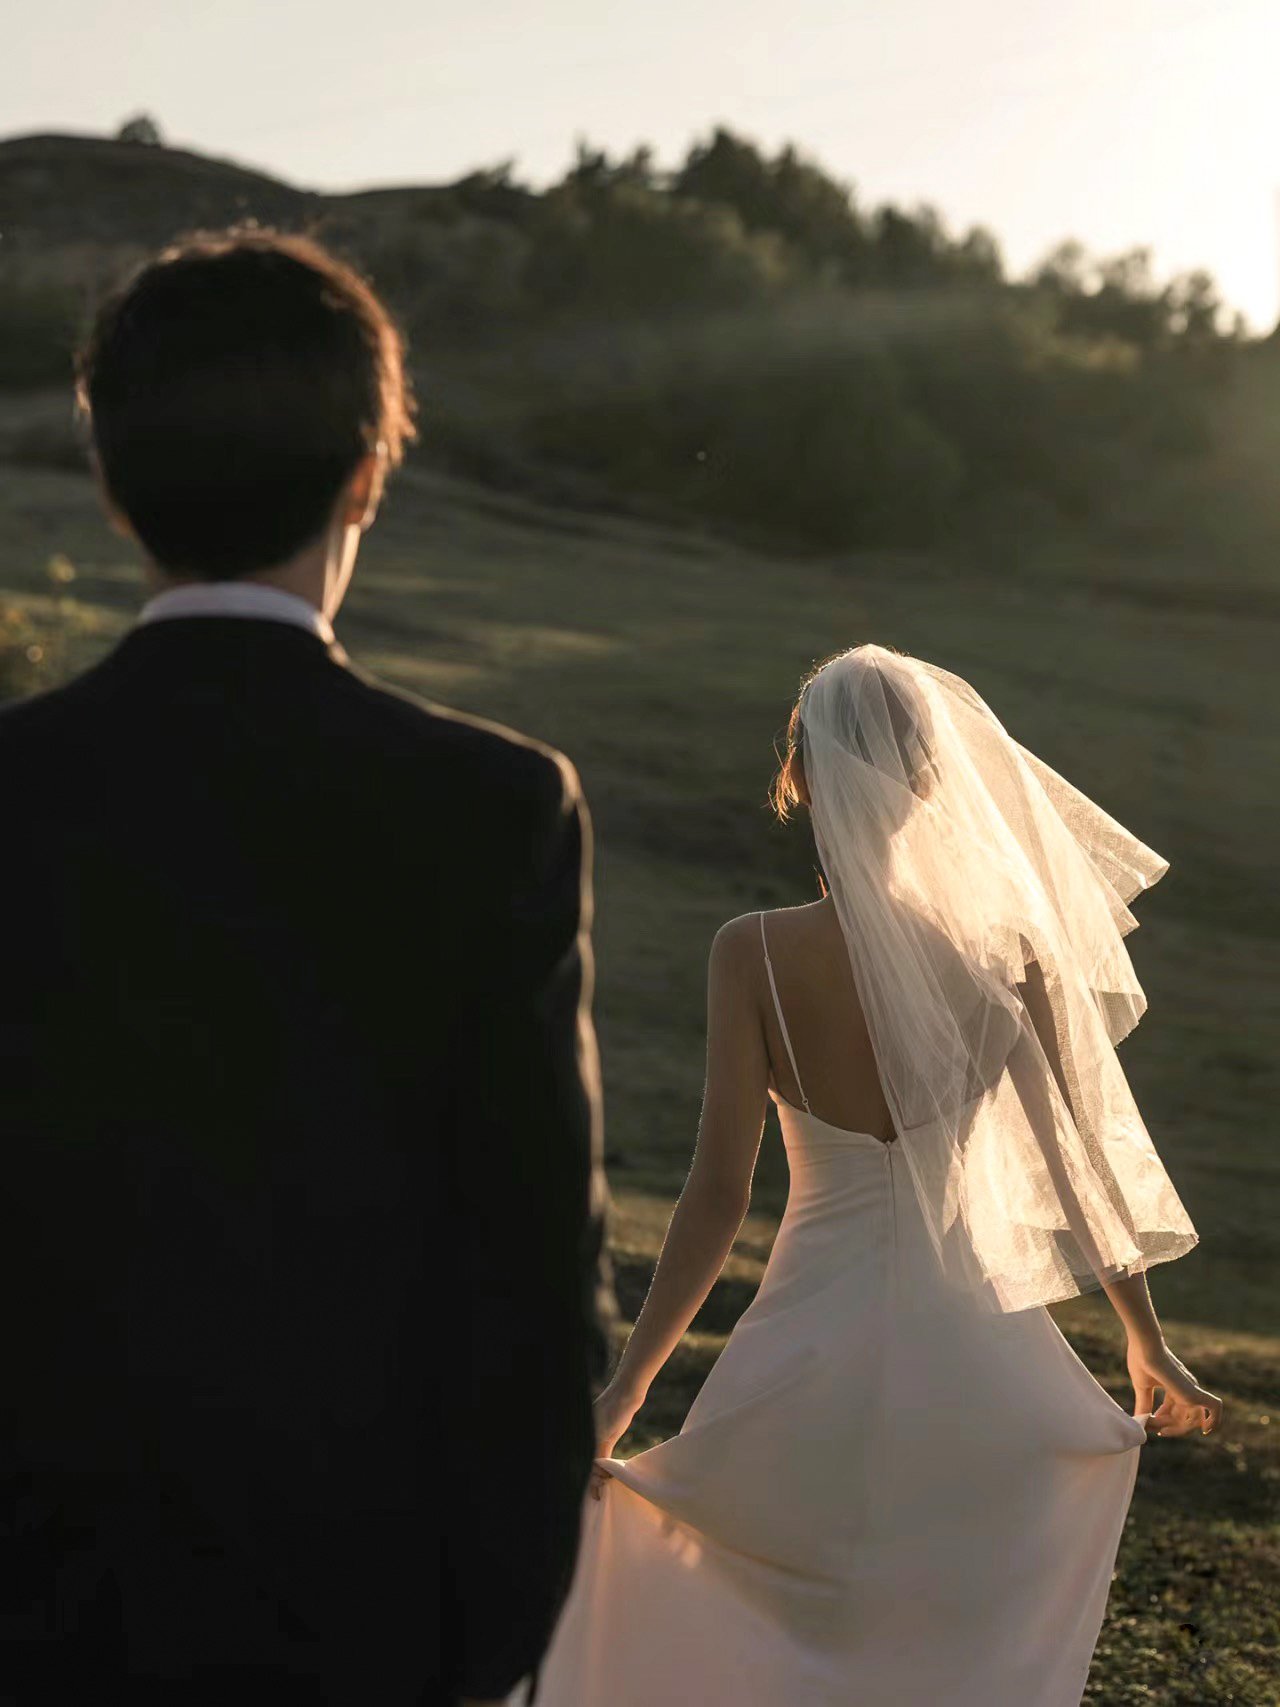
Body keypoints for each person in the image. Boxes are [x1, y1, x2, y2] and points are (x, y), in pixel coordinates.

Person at [0, 226, 613, 1707]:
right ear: (365, 476)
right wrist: (488, 1637)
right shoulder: (493, 809)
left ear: (110, 478)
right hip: (360, 1618)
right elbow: (535, 1273)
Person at [521, 643, 1221, 1707]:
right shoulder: (1007, 959)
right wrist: (1142, 1335)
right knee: (939, 1636)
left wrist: (624, 1393)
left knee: (771, 1615)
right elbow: (1074, 1169)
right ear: (935, 781)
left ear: (798, 779)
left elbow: (715, 1197)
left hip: (808, 1342)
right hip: (978, 1354)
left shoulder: (748, 953)